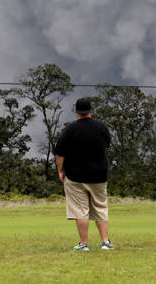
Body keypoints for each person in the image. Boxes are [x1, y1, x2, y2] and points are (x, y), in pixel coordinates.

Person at [54, 98, 114, 251]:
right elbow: (107, 144)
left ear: (77, 111)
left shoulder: (70, 129)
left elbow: (59, 153)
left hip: (75, 176)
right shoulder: (101, 127)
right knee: (100, 208)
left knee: (80, 211)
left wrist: (60, 171)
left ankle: (84, 244)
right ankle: (105, 242)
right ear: (90, 110)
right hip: (99, 175)